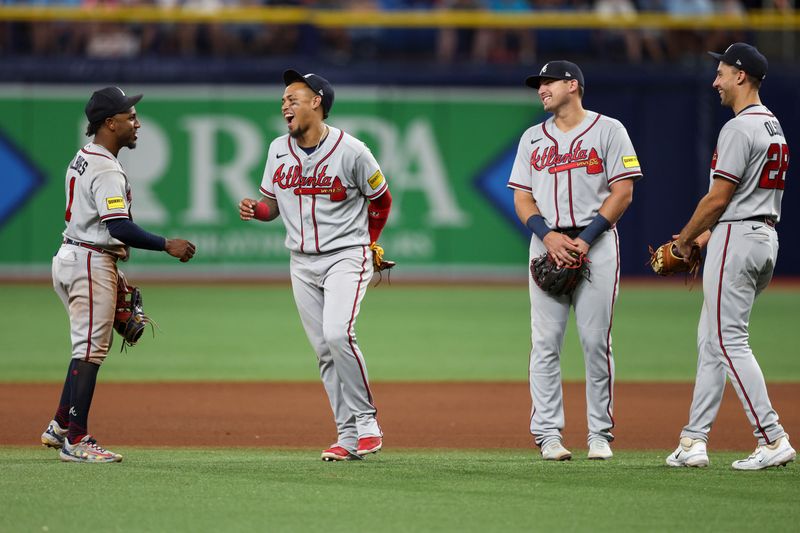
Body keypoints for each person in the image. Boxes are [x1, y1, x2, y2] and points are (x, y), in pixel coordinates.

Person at [239, 70, 392, 461]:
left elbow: (381, 199)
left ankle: (366, 420)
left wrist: (370, 242)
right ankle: (347, 436)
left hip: (346, 254)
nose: (285, 104)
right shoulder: (277, 149)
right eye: (284, 98)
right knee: (324, 350)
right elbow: (271, 204)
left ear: (317, 102)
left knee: (339, 334)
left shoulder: (352, 150)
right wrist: (256, 210)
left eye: (294, 97)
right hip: (301, 262)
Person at [40, 87, 196, 463]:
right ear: (110, 123)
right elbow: (119, 227)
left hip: (72, 255)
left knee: (84, 346)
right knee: (90, 351)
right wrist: (165, 244)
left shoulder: (84, 157)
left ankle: (61, 423)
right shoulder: (106, 168)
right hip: (89, 262)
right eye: (130, 117)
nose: (137, 123)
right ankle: (76, 440)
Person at [665, 43, 795, 470]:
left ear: (741, 76)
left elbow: (718, 198)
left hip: (738, 238)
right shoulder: (773, 125)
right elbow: (744, 196)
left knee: (727, 340)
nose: (715, 81)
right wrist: (706, 240)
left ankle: (772, 437)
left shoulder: (738, 128)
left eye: (721, 73)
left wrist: (686, 239)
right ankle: (693, 441)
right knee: (712, 340)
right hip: (761, 237)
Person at [507, 60, 643, 461]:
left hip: (596, 243)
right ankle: (548, 434)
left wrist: (584, 240)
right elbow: (522, 197)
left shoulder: (609, 129)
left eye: (548, 82)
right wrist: (547, 236)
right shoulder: (532, 138)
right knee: (545, 343)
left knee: (595, 342)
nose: (541, 89)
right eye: (538, 85)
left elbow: (623, 192)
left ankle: (599, 434)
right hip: (546, 241)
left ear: (573, 85)